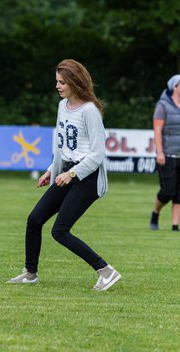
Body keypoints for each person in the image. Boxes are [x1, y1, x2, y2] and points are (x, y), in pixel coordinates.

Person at [8, 59, 121, 291]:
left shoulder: (90, 111)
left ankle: (106, 271)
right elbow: (61, 146)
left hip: (86, 177)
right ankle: (30, 274)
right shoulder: (63, 106)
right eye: (57, 82)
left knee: (59, 231)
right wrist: (52, 170)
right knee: (34, 219)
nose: (58, 86)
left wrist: (72, 173)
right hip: (66, 173)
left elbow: (98, 154)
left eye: (62, 82)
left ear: (75, 82)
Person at [150, 74, 180, 231]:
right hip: (167, 155)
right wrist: (159, 152)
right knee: (168, 191)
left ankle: (175, 226)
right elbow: (157, 130)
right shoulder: (163, 105)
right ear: (175, 87)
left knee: (179, 194)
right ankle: (155, 213)